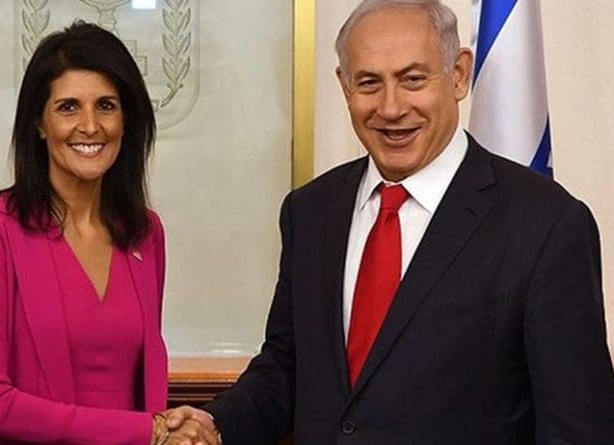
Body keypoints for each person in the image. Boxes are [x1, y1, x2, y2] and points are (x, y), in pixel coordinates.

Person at [166, 0, 614, 443]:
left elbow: (578, 428)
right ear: (344, 86)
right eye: (368, 83)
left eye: (412, 79)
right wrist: (217, 424)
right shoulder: (311, 212)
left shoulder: (546, 224)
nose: (391, 107)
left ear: (458, 75)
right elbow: (289, 366)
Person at [0, 22, 211, 444]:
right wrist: (147, 431)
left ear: (127, 120)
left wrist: (170, 426)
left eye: (106, 105)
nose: (90, 126)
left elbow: (140, 391)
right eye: (68, 107)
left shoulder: (145, 233)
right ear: (39, 124)